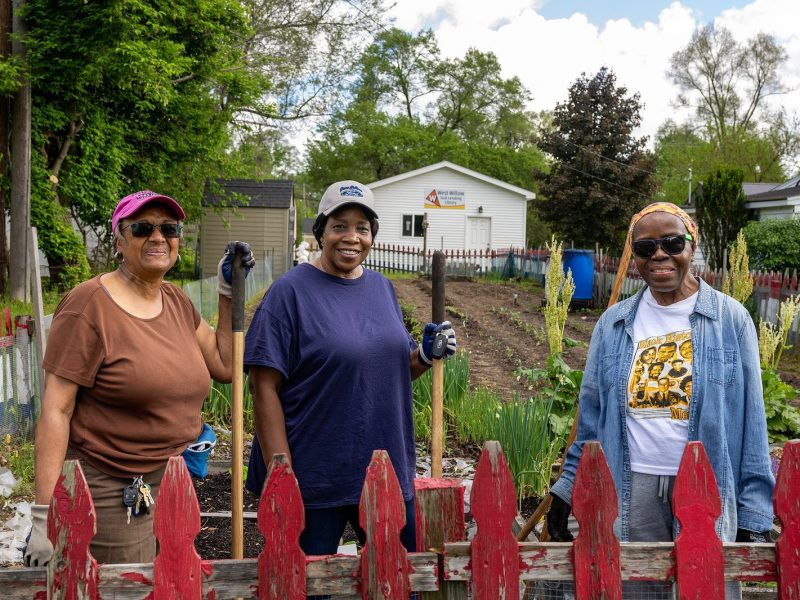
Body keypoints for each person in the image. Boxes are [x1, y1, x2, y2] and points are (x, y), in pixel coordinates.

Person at [546, 202, 774, 599]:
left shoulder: (731, 320)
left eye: (672, 243)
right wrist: (567, 488)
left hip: (706, 487)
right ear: (634, 256)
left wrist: (754, 511)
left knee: (705, 588)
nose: (660, 256)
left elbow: (752, 422)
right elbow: (591, 418)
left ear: (692, 246)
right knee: (637, 588)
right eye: (646, 248)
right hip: (631, 483)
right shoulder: (614, 323)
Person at [23, 190, 255, 566]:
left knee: (175, 583)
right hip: (112, 487)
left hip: (175, 478)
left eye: (169, 228)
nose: (158, 237)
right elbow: (56, 411)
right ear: (119, 240)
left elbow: (225, 365)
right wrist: (44, 514)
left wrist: (228, 291)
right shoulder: (88, 306)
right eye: (142, 228)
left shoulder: (176, 301)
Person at [244, 180, 456, 558]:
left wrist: (422, 357)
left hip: (385, 470)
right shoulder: (289, 293)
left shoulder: (381, 288)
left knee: (395, 578)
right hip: (315, 476)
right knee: (312, 586)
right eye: (339, 225)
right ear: (321, 231)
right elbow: (264, 387)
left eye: (362, 227)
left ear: (372, 235)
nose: (351, 237)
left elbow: (389, 370)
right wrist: (282, 472)